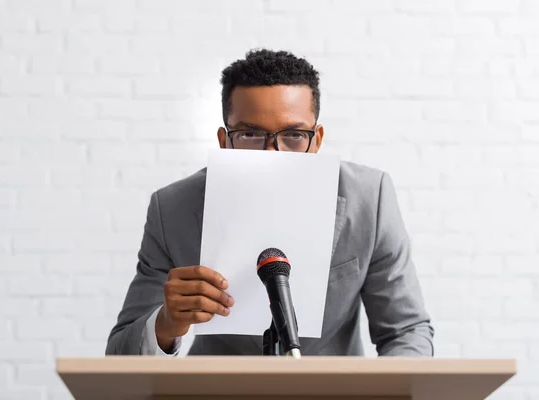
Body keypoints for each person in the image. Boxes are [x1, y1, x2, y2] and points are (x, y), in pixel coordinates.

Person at [106, 49, 434, 357]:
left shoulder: (368, 198)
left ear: (317, 141)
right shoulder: (173, 208)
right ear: (224, 142)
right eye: (250, 135)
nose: (271, 154)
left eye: (293, 136)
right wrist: (166, 324)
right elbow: (119, 353)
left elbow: (406, 330)